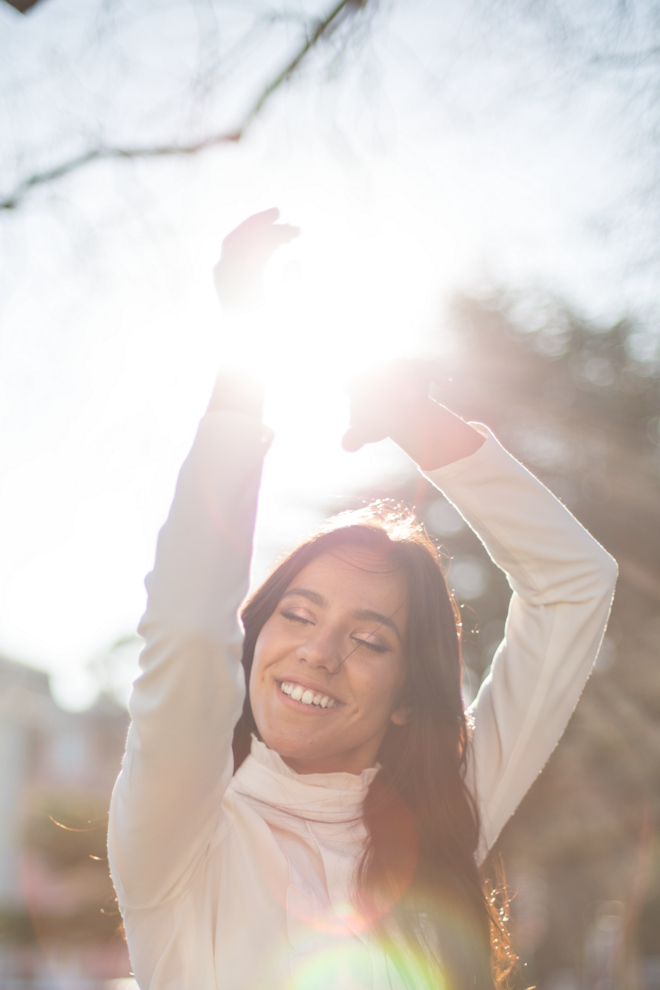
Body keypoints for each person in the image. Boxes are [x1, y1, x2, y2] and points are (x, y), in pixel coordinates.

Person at [107, 211, 618, 990]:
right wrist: (247, 355)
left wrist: (420, 426)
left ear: (408, 699)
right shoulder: (182, 832)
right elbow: (184, 625)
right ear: (252, 642)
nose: (320, 651)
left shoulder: (443, 820)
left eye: (371, 640)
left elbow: (575, 585)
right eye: (299, 614)